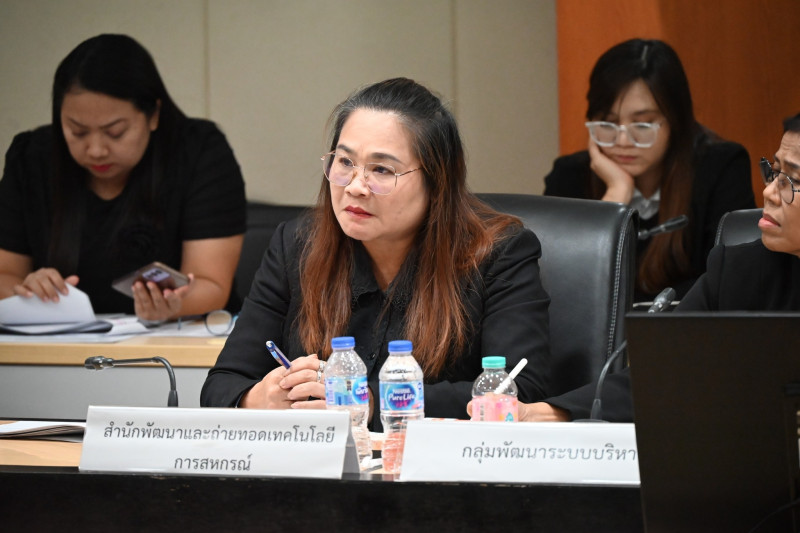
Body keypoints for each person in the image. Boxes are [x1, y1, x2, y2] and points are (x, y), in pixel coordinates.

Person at [201, 78, 551, 430]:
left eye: (381, 170)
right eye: (344, 162)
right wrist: (260, 398)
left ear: (437, 182)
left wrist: (367, 402)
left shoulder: (498, 253)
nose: (355, 187)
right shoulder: (296, 245)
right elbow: (222, 383)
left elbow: (519, 392)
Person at [518, 112, 800, 422]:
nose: (769, 192)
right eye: (775, 172)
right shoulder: (738, 271)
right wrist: (541, 412)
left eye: (793, 181)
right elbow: (658, 377)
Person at [0, 34, 246, 322]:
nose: (96, 150)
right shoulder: (32, 157)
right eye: (77, 131)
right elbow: (5, 273)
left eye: (115, 132)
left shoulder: (199, 151)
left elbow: (211, 284)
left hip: (177, 337)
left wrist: (173, 304)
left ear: (153, 115)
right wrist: (28, 292)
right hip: (60, 339)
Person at [544, 38, 755, 301]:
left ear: (675, 122)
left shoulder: (720, 167)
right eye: (607, 123)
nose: (623, 141)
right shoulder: (569, 176)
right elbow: (561, 285)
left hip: (688, 323)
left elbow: (731, 277)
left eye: (643, 125)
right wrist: (615, 198)